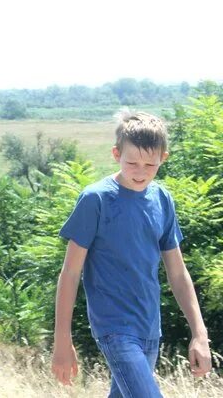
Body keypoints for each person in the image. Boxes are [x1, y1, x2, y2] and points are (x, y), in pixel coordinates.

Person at [51, 110, 211, 397]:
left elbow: (177, 272)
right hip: (114, 328)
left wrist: (200, 333)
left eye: (150, 164)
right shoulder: (95, 199)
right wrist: (62, 339)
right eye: (132, 162)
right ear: (116, 154)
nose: (140, 171)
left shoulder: (162, 199)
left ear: (164, 157)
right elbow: (71, 273)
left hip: (149, 327)